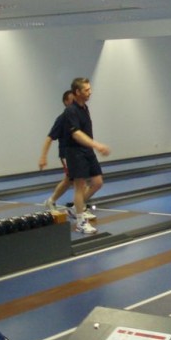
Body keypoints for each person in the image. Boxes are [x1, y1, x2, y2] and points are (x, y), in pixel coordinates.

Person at [64, 77, 110, 234]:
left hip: (87, 151)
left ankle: (75, 208)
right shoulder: (71, 111)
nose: (90, 92)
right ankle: (80, 223)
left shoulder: (85, 108)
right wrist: (97, 145)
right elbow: (76, 134)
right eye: (87, 90)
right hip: (75, 152)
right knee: (80, 186)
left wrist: (92, 146)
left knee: (97, 182)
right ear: (78, 92)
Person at [39, 90, 75, 211]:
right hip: (66, 154)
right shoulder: (62, 119)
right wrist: (43, 156)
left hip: (78, 153)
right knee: (77, 179)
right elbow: (49, 138)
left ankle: (51, 200)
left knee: (69, 180)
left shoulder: (78, 116)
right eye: (72, 100)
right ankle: (79, 208)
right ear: (66, 102)